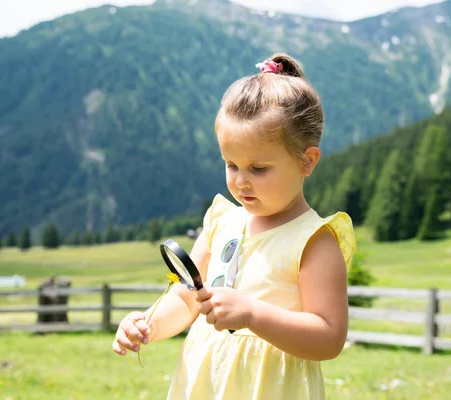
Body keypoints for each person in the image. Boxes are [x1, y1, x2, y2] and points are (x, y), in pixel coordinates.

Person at [112, 53, 356, 400]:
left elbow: (329, 337)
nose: (241, 182)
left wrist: (254, 314)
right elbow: (186, 298)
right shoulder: (222, 221)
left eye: (258, 169)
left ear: (307, 160)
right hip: (205, 383)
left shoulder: (314, 242)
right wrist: (148, 325)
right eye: (231, 165)